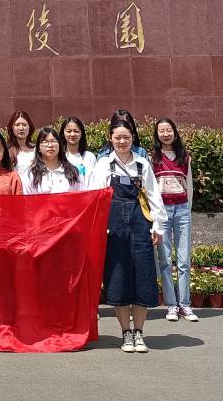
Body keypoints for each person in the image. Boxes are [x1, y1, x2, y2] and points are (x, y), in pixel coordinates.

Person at [87, 119, 166, 354]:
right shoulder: (103, 165)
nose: (122, 141)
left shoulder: (142, 164)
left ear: (133, 138)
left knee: (143, 277)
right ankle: (126, 333)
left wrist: (158, 227)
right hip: (114, 231)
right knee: (118, 279)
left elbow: (154, 197)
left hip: (140, 227)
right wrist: (99, 228)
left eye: (126, 137)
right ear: (110, 139)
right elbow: (95, 198)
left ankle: (139, 332)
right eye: (117, 137)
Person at [153, 117, 197, 322]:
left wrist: (187, 209)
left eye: (168, 130)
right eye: (161, 131)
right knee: (164, 260)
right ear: (157, 135)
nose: (165, 134)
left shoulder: (185, 157)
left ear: (175, 133)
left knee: (184, 260)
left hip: (181, 211)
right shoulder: (152, 158)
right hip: (162, 212)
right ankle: (171, 305)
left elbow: (190, 185)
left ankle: (185, 304)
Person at [22, 126, 82, 195]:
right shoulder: (30, 174)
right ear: (38, 148)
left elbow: (80, 196)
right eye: (45, 142)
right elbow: (26, 199)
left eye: (53, 141)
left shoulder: (72, 172)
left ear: (59, 146)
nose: (50, 145)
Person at [7, 110, 36, 175]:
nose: (21, 128)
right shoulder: (6, 150)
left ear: (29, 127)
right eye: (17, 125)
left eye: (24, 125)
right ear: (12, 128)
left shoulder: (36, 149)